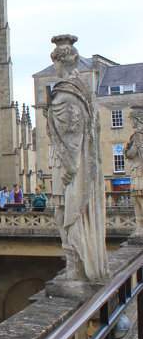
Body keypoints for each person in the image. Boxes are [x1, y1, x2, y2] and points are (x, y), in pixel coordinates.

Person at [45, 34, 108, 281]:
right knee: (67, 211)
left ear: (60, 64)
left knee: (65, 212)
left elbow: (70, 140)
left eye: (56, 65)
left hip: (68, 165)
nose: (55, 69)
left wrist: (70, 169)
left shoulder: (65, 95)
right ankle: (78, 265)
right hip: (84, 166)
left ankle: (74, 267)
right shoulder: (86, 92)